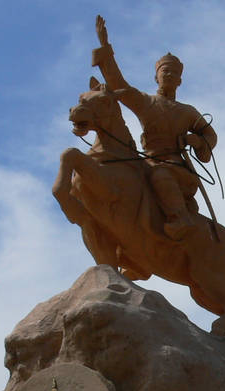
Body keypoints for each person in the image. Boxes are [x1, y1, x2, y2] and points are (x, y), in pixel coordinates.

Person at [91, 16, 217, 240]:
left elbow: (210, 134)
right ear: (156, 77)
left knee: (160, 174)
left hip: (176, 169)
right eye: (165, 71)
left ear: (179, 81)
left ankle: (181, 218)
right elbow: (119, 84)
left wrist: (197, 141)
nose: (169, 75)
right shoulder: (146, 102)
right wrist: (105, 48)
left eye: (174, 73)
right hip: (147, 162)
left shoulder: (187, 111)